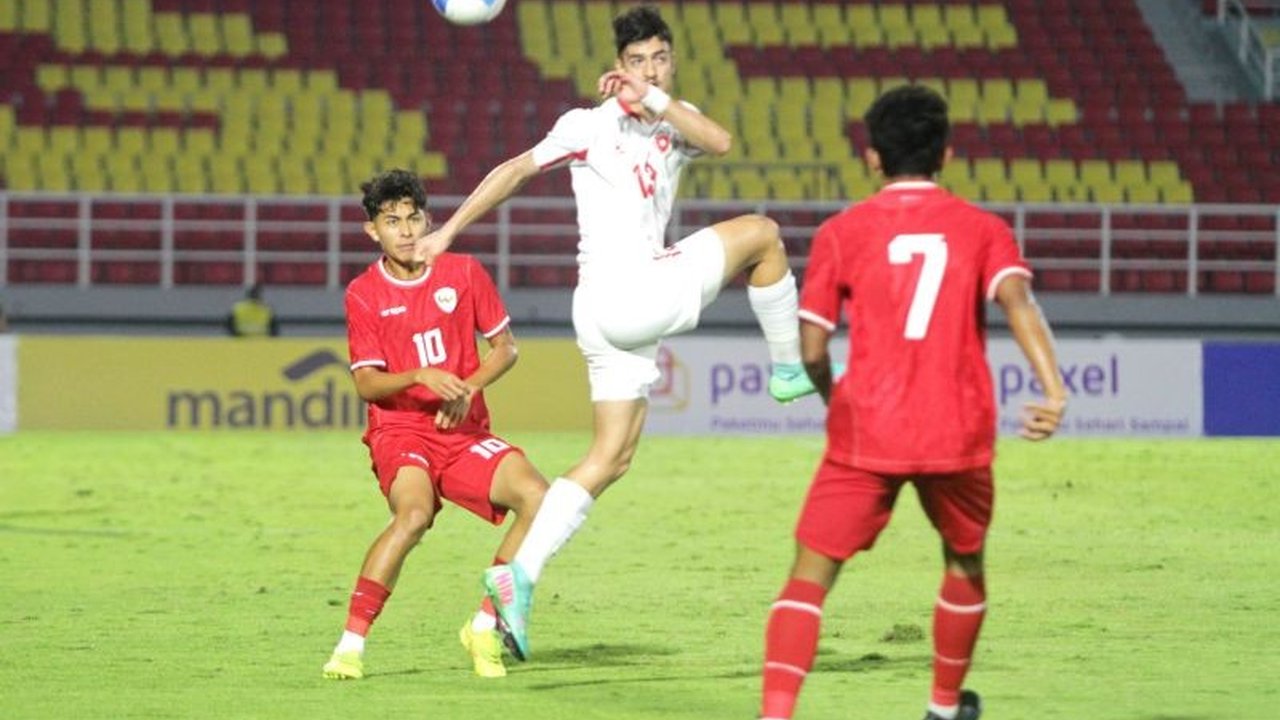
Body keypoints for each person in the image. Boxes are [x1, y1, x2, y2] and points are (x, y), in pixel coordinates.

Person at [414, 4, 830, 660]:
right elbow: (515, 170)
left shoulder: (671, 117)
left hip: (611, 316)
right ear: (617, 66)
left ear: (670, 63)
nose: (649, 70)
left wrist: (657, 99)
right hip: (625, 290)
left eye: (659, 59)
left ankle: (513, 584)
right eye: (637, 62)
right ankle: (788, 371)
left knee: (611, 458)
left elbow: (719, 141)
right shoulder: (587, 125)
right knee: (765, 235)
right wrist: (448, 231)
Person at [757, 85, 1068, 720]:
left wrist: (833, 398)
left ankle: (777, 713)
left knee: (809, 577)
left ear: (872, 158)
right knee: (964, 560)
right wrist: (1054, 390)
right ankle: (944, 707)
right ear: (946, 154)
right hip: (956, 427)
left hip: (866, 426)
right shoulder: (983, 230)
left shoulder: (842, 232)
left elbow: (811, 347)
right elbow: (1019, 304)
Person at [322, 169, 548, 681]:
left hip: (462, 431)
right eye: (391, 220)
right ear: (372, 231)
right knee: (414, 515)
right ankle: (350, 645)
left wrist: (467, 389)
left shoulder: (463, 272)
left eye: (413, 218)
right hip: (400, 430)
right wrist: (420, 376)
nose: (405, 230)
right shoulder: (364, 293)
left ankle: (485, 625)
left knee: (540, 498)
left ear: (427, 220)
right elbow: (368, 385)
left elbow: (506, 349)